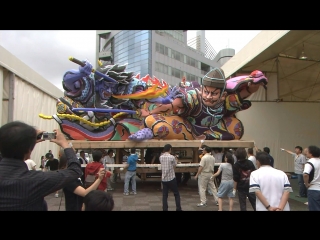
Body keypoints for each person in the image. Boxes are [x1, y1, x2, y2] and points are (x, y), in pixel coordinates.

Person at [129, 68, 267, 141]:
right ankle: (149, 131)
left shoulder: (224, 102)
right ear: (201, 90)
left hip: (215, 129)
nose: (208, 96)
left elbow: (239, 97)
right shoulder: (193, 97)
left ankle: (208, 137)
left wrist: (251, 88)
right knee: (156, 124)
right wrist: (150, 113)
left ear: (222, 95)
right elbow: (171, 106)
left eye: (213, 94)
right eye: (206, 92)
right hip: (187, 127)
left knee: (237, 127)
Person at [0, 121, 82, 211]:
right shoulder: (35, 180)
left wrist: (26, 144)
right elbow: (75, 170)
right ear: (29, 151)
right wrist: (65, 144)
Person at [159, 144, 182, 211]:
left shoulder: (161, 157)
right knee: (176, 194)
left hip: (164, 178)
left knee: (165, 195)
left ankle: (165, 209)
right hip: (171, 178)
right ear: (170, 149)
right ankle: (178, 208)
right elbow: (175, 164)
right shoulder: (172, 157)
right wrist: (176, 159)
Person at [303, 145, 320, 211]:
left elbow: (305, 174)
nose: (306, 153)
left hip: (314, 189)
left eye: (307, 151)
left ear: (311, 153)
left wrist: (306, 184)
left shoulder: (310, 162)